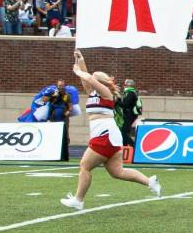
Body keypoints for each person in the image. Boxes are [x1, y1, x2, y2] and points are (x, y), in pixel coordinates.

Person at [60, 51, 161, 209]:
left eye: (95, 79)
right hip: (108, 135)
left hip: (105, 134)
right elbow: (85, 77)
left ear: (100, 82)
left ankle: (78, 200)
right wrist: (81, 60)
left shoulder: (106, 93)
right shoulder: (93, 93)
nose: (91, 80)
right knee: (117, 172)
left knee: (85, 166)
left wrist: (78, 71)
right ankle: (150, 182)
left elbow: (87, 77)